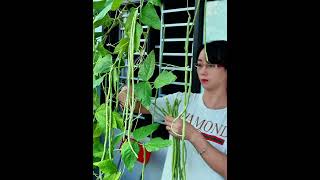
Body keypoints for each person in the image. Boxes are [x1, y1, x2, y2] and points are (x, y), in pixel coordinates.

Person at [119, 40, 227, 180]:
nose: (203, 71)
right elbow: (138, 105)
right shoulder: (181, 101)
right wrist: (126, 92)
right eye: (199, 64)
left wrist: (193, 135)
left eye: (211, 65)